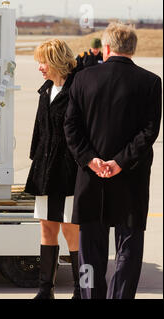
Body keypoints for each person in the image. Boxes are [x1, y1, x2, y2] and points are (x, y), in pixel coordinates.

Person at [64, 22, 162, 299]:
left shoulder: (83, 79)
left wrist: (90, 159)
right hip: (131, 178)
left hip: (91, 178)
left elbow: (70, 127)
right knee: (128, 249)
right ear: (133, 47)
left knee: (89, 251)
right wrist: (119, 162)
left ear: (106, 47)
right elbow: (149, 131)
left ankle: (89, 295)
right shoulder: (151, 82)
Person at [25, 39, 80, 299]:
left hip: (69, 172)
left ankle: (82, 290)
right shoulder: (46, 90)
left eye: (43, 62)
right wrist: (35, 159)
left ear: (57, 60)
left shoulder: (77, 89)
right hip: (45, 171)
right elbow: (39, 130)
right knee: (47, 228)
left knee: (71, 230)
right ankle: (45, 290)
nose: (40, 68)